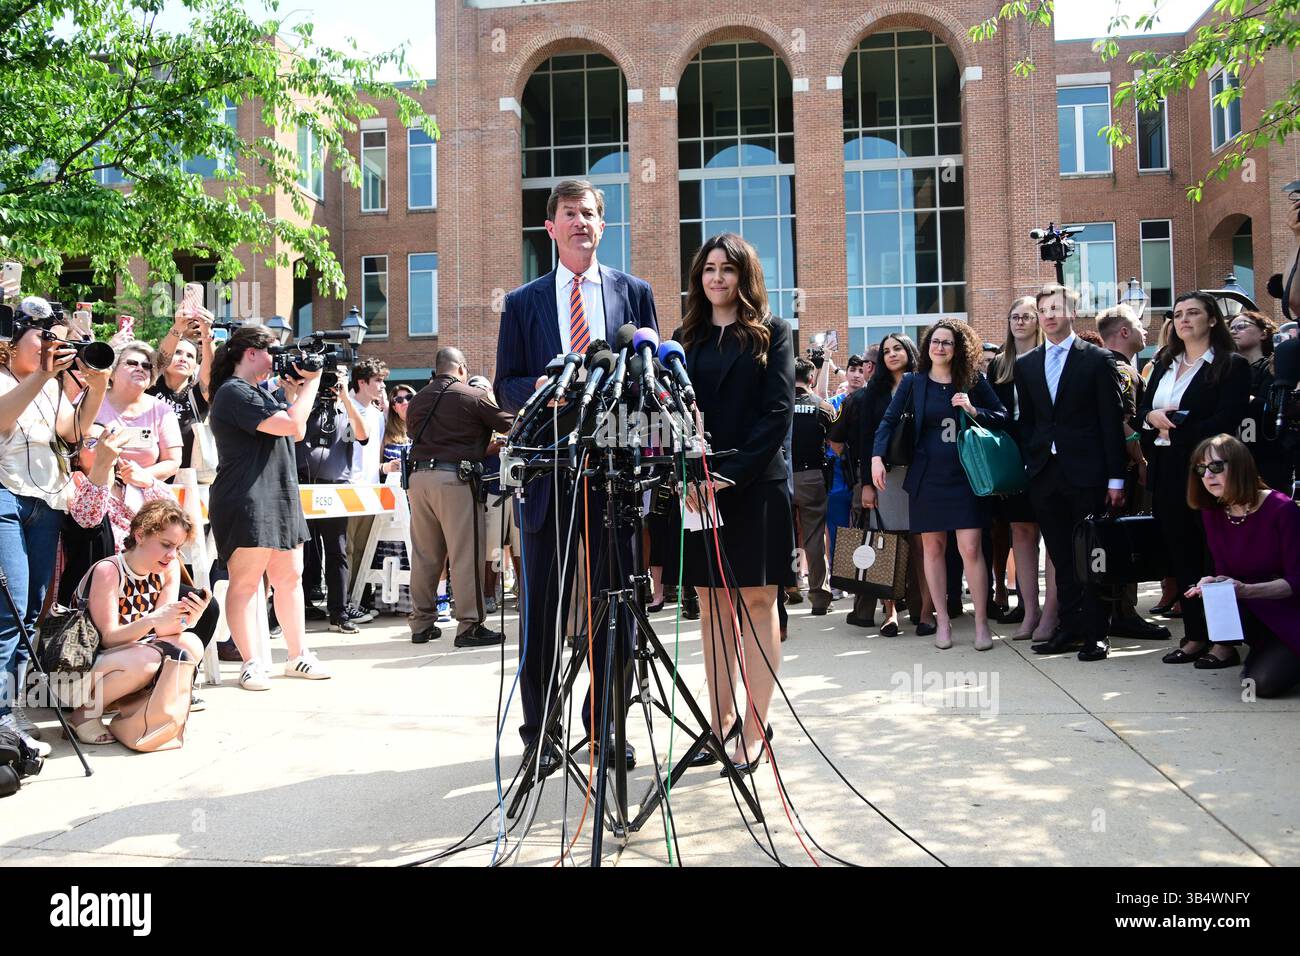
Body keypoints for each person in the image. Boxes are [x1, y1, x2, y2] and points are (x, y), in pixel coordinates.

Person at [495, 179, 659, 772]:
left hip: (613, 474)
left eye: (590, 213)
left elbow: (652, 378)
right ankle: (540, 734)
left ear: (603, 225)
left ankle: (606, 725)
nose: (581, 222)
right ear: (551, 227)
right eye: (570, 214)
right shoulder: (522, 303)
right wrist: (537, 390)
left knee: (617, 606)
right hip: (549, 472)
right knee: (543, 608)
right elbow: (505, 383)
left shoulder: (633, 293)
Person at [675, 232, 794, 773]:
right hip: (698, 489)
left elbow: (777, 414)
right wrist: (687, 473)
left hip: (755, 485)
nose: (717, 277)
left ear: (745, 276)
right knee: (712, 605)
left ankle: (754, 726)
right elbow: (672, 417)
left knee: (756, 602)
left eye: (728, 269)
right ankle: (718, 722)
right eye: (709, 268)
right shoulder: (686, 338)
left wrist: (728, 474)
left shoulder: (773, 333)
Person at [0, 299, 109, 753]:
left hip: (47, 501)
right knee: (10, 608)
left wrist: (97, 383)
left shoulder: (50, 387)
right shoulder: (13, 380)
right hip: (5, 495)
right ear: (10, 343)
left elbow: (73, 431)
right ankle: (2, 715)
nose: (52, 345)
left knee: (30, 612)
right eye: (42, 337)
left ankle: (13, 709)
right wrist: (44, 374)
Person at [207, 325, 330, 690]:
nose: (278, 359)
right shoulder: (233, 392)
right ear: (250, 353)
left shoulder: (259, 392)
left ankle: (298, 655)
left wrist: (293, 392)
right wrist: (314, 380)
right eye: (272, 351)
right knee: (245, 583)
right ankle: (251, 661)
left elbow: (295, 428)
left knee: (290, 578)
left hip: (278, 493)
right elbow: (293, 425)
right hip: (247, 496)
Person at [872, 319, 1007, 651]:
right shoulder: (914, 383)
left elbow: (1003, 415)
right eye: (935, 341)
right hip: (927, 476)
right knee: (932, 549)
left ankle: (980, 623)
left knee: (971, 549)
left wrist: (974, 409)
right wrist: (877, 457)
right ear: (928, 345)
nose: (940, 347)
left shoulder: (972, 380)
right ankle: (941, 620)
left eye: (947, 342)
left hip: (966, 476)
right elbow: (889, 420)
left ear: (958, 348)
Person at [1014, 285, 1128, 662]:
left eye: (1056, 309)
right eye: (1043, 309)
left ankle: (1097, 633)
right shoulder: (1027, 364)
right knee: (1062, 557)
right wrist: (1034, 462)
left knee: (1089, 557)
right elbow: (1028, 421)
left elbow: (1110, 422)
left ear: (1071, 314)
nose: (1049, 315)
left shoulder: (1096, 359)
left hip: (1088, 473)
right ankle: (1069, 628)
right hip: (1046, 474)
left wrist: (1116, 478)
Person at [1139, 292, 1251, 668]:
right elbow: (1144, 411)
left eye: (1193, 313)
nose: (1184, 319)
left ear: (1213, 320)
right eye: (1179, 314)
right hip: (1168, 470)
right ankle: (1194, 636)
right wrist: (1151, 419)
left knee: (1213, 554)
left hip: (1210, 474)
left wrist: (1175, 430)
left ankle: (1225, 642)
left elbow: (1226, 419)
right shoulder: (1164, 364)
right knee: (1180, 552)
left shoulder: (1230, 364)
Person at [64, 499, 211, 744]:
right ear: (140, 535)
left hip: (126, 662)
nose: (172, 555)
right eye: (166, 544)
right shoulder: (109, 570)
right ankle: (83, 715)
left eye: (177, 547)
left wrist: (188, 618)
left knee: (190, 642)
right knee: (147, 658)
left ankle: (148, 709)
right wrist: (152, 619)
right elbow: (108, 639)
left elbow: (163, 631)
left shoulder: (168, 568)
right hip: (78, 669)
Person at [406, 348, 511, 647]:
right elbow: (509, 423)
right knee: (466, 554)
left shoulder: (417, 400)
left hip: (418, 479)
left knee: (425, 556)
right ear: (462, 368)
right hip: (454, 480)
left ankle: (421, 624)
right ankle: (469, 626)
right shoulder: (471, 396)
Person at [832, 332, 933, 636]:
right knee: (885, 544)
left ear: (910, 351)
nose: (891, 354)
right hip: (883, 477)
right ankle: (891, 614)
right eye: (886, 350)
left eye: (898, 348)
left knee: (921, 546)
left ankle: (925, 611)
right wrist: (865, 484)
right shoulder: (871, 394)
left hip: (920, 474)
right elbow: (864, 441)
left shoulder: (923, 384)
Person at [1186, 434, 1300, 695]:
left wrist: (1244, 590)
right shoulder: (1213, 512)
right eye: (1201, 469)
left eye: (1216, 467)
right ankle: (1261, 649)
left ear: (1239, 467)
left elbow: (1297, 582)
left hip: (1291, 611)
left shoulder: (1282, 509)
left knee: (1263, 685)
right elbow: (1226, 571)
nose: (1207, 475)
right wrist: (1213, 582)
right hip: (1255, 612)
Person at [1096, 304, 1170, 642]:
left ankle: (1112, 612)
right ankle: (1122, 614)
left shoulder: (1097, 365)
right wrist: (1141, 463)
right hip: (1122, 472)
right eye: (1139, 326)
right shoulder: (1122, 371)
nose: (1145, 332)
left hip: (1102, 471)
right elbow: (1124, 423)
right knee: (1125, 541)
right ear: (1123, 332)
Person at [986, 296, 1059, 640]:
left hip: (1047, 454)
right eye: (1015, 316)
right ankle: (1030, 611)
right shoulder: (999, 364)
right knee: (1021, 533)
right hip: (1012, 457)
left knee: (1054, 535)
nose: (1020, 322)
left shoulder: (1053, 359)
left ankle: (1053, 613)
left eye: (1027, 316)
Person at [281, 366, 371, 634]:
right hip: (301, 485)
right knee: (299, 551)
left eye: (339, 375)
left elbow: (363, 435)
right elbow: (292, 430)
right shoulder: (304, 402)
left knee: (336, 551)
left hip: (335, 489)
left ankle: (339, 612)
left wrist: (344, 398)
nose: (332, 382)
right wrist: (297, 394)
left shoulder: (347, 408)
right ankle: (301, 606)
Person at [789, 357, 838, 614]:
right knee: (815, 538)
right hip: (812, 477)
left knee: (783, 535)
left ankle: (790, 587)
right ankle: (819, 598)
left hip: (783, 476)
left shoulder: (778, 405)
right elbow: (836, 444)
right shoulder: (823, 407)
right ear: (811, 378)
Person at [95, 342, 183, 484]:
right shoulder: (92, 400)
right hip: (94, 490)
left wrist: (138, 475)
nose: (140, 368)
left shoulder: (162, 410)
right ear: (112, 371)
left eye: (146, 366)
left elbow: (173, 462)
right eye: (132, 363)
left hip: (141, 495)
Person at [345, 357, 390, 620]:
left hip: (372, 489)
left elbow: (376, 454)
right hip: (349, 489)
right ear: (362, 382)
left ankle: (357, 599)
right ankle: (344, 603)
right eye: (378, 381)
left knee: (364, 549)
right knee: (348, 550)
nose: (383, 386)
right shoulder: (345, 409)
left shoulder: (376, 414)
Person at [150, 305, 216, 472]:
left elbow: (211, 373)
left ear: (195, 365)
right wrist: (178, 326)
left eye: (190, 356)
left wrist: (207, 335)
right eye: (178, 352)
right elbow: (160, 360)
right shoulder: (151, 386)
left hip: (188, 480)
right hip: (149, 475)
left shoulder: (198, 395)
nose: (183, 359)